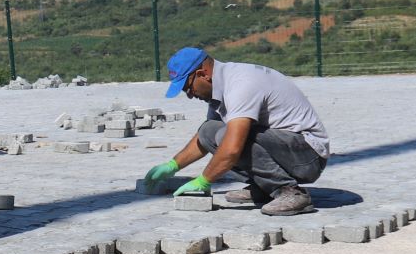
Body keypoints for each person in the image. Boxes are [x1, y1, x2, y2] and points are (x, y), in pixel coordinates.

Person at [141, 46, 330, 216]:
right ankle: (264, 187)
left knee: (228, 137)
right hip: (286, 147)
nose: (190, 95)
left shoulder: (240, 84)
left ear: (202, 73)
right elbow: (205, 136)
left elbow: (231, 148)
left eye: (188, 88)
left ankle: (289, 192)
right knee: (209, 130)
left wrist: (204, 181)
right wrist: (173, 165)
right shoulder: (219, 87)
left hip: (308, 155)